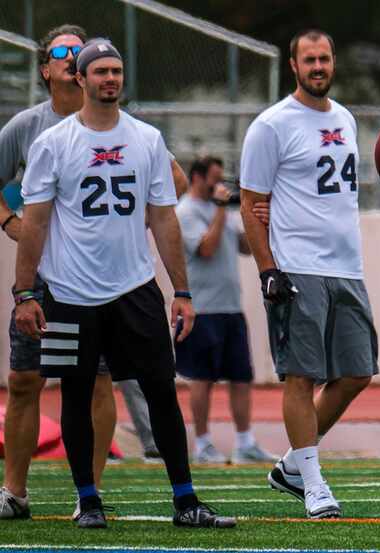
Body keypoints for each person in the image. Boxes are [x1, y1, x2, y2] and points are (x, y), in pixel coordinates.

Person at [13, 38, 235, 529]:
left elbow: (164, 220)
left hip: (134, 288)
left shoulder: (147, 139)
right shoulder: (53, 143)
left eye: (116, 71)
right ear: (81, 78)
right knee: (74, 393)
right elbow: (36, 224)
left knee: (160, 391)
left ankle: (186, 501)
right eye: (100, 71)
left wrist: (181, 291)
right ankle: (87, 500)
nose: (110, 79)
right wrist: (24, 293)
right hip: (69, 292)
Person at [0, 24, 164, 519]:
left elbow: (167, 179)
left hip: (99, 279)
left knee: (97, 382)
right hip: (44, 279)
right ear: (47, 69)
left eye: (80, 49)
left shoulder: (123, 125)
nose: (73, 57)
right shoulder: (27, 128)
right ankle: (15, 492)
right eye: (61, 52)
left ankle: (87, 493)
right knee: (25, 379)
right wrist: (11, 221)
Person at [239, 29, 378, 519]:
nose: (318, 67)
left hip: (347, 265)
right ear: (294, 67)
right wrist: (267, 269)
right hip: (298, 266)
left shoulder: (345, 117)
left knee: (357, 372)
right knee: (301, 375)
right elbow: (251, 202)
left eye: (324, 58)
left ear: (333, 62)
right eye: (309, 60)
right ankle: (314, 483)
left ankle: (291, 466)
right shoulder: (271, 125)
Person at [175, 155, 275, 465]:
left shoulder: (224, 212)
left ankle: (245, 442)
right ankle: (203, 444)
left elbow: (244, 247)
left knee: (241, 377)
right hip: (202, 309)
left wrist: (262, 223)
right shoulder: (186, 211)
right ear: (197, 178)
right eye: (214, 179)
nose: (221, 186)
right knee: (201, 379)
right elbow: (206, 249)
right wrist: (220, 210)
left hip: (231, 308)